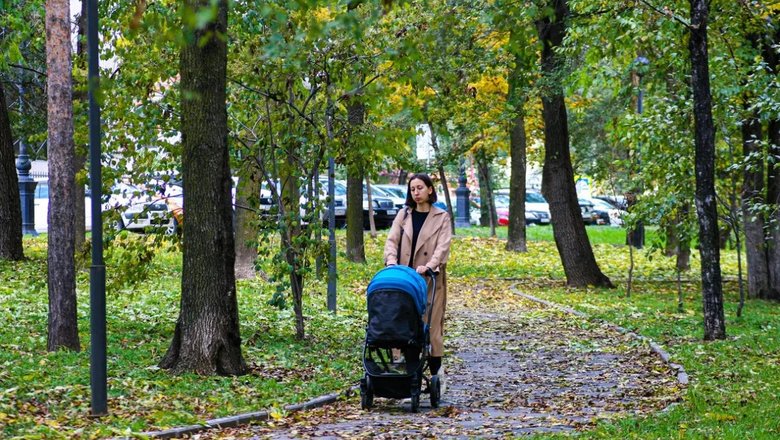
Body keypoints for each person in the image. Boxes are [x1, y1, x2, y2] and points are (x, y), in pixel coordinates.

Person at [383, 173, 452, 382]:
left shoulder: (441, 217)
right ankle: (409, 372)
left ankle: (435, 374)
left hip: (430, 279)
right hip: (404, 278)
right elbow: (391, 240)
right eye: (412, 189)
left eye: (420, 188)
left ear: (430, 189)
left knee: (431, 325)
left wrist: (430, 266)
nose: (416, 193)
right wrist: (391, 261)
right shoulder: (404, 215)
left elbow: (443, 246)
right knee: (405, 322)